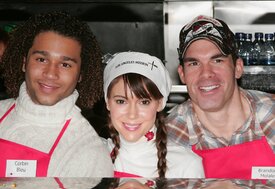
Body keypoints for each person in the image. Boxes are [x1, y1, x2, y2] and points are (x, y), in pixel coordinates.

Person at [0, 11, 113, 177]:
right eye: (41, 59)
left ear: (81, 74)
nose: (51, 73)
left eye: (65, 64)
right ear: (24, 63)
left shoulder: (89, 151)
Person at [166, 15, 275, 180]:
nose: (206, 73)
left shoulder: (271, 116)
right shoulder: (172, 133)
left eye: (217, 60)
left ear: (238, 68)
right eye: (194, 63)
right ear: (182, 74)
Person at [103, 51, 204, 178]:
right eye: (121, 101)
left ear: (160, 103)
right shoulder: (89, 157)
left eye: (144, 102)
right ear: (107, 102)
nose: (132, 115)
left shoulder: (186, 165)